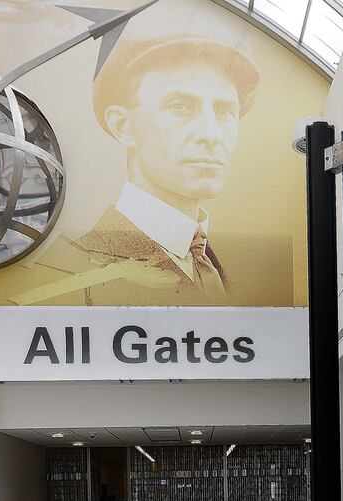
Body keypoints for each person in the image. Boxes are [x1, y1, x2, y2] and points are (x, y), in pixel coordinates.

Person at [75, 13, 260, 305]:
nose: (210, 134)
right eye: (180, 107)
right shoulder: (82, 270)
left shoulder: (239, 271)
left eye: (225, 111)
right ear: (124, 126)